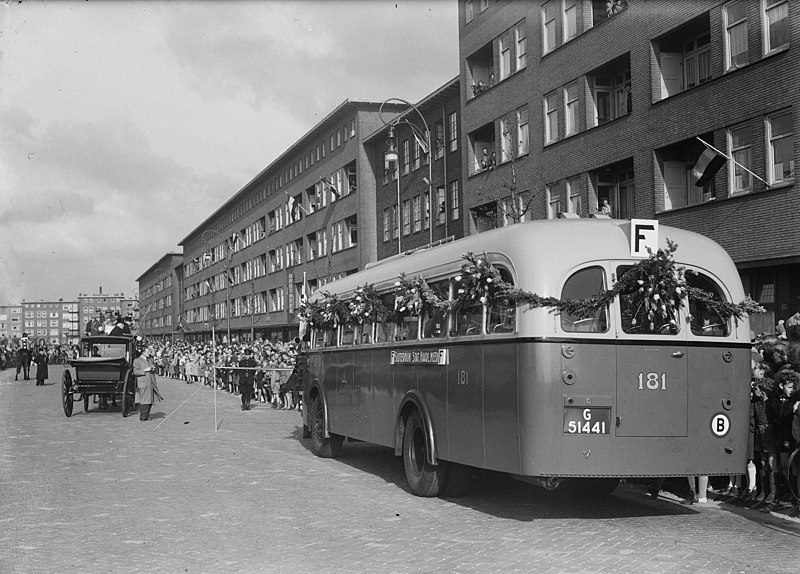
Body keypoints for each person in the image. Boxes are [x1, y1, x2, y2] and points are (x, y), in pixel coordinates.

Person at [133, 345, 161, 421]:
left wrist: (153, 369)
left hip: (150, 382)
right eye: (148, 352)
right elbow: (135, 372)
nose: (149, 353)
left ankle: (146, 416)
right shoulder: (137, 361)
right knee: (144, 400)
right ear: (143, 352)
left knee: (150, 400)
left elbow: (153, 371)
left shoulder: (149, 360)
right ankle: (143, 416)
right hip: (143, 382)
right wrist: (145, 370)